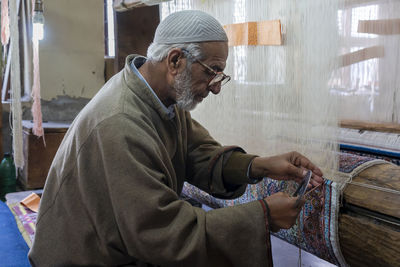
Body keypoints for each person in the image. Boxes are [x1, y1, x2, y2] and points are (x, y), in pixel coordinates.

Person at [29, 10, 323, 267]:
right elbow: (163, 232)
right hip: (87, 258)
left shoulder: (159, 99)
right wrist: (263, 216)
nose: (216, 87)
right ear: (175, 61)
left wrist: (261, 165)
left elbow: (199, 154)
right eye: (213, 71)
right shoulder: (121, 123)